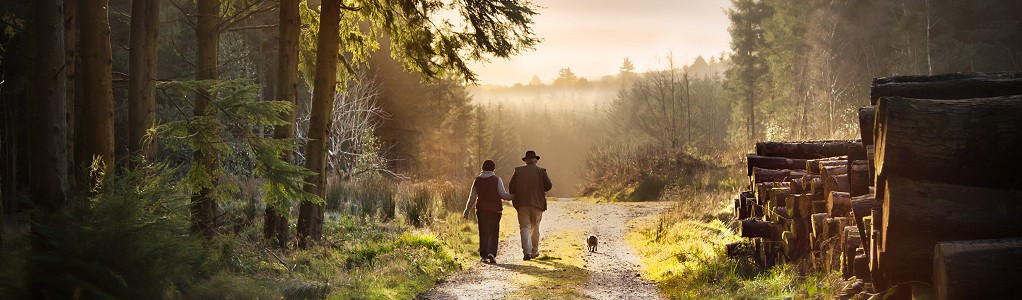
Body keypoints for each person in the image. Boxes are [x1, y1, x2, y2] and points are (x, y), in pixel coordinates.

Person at [462, 160, 514, 264]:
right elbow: (503, 195)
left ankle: (484, 256)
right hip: (495, 210)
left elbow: (472, 197)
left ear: (483, 168)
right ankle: (491, 253)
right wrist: (514, 196)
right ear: (493, 169)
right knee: (493, 232)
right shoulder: (497, 180)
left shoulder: (477, 180)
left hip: (481, 210)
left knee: (483, 232)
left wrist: (467, 210)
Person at [509, 150, 552, 260]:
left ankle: (526, 252)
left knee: (524, 228)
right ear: (535, 160)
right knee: (535, 227)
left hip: (522, 204)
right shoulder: (541, 171)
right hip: (538, 204)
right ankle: (534, 251)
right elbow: (548, 186)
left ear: (526, 161)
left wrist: (517, 195)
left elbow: (511, 187)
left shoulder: (518, 171)